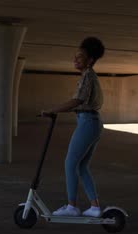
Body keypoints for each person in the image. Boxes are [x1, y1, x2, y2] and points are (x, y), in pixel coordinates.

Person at [41, 37, 105, 218]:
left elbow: (77, 101)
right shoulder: (89, 76)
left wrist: (51, 110)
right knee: (82, 166)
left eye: (80, 56)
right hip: (91, 122)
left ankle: (72, 206)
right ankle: (94, 207)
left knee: (70, 163)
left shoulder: (88, 76)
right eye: (75, 56)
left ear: (90, 59)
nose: (75, 59)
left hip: (87, 122)